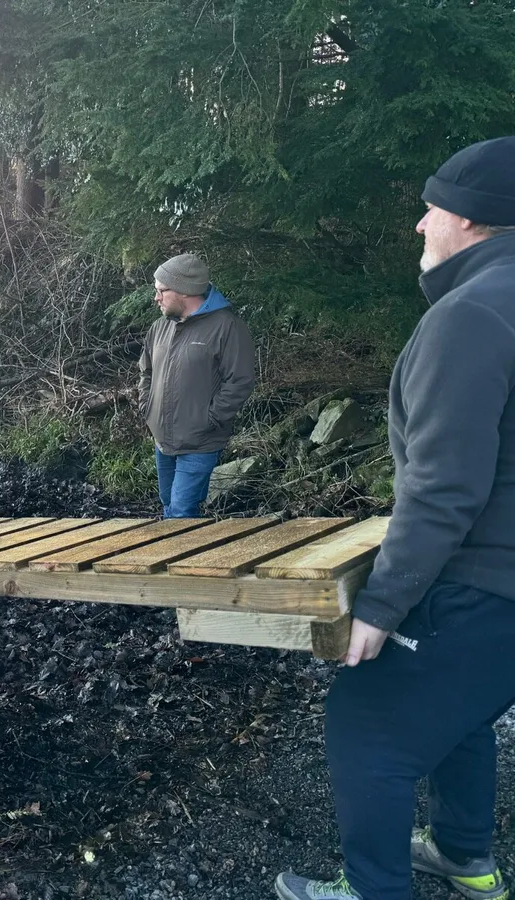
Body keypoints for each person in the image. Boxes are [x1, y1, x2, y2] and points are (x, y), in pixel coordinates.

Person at [275, 136, 515, 900]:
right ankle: (464, 857)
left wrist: (382, 604)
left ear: (474, 221)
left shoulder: (474, 315)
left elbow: (445, 486)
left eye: (431, 208)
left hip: (482, 581)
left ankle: (373, 890)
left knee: (366, 727)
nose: (421, 226)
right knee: (459, 711)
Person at [137, 253, 255, 517]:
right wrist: (147, 407)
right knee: (169, 503)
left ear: (183, 291)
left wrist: (209, 419)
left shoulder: (228, 327)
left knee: (180, 512)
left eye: (161, 291)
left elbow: (240, 381)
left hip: (201, 441)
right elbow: (145, 371)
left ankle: (179, 555)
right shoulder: (159, 328)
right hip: (162, 440)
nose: (156, 298)